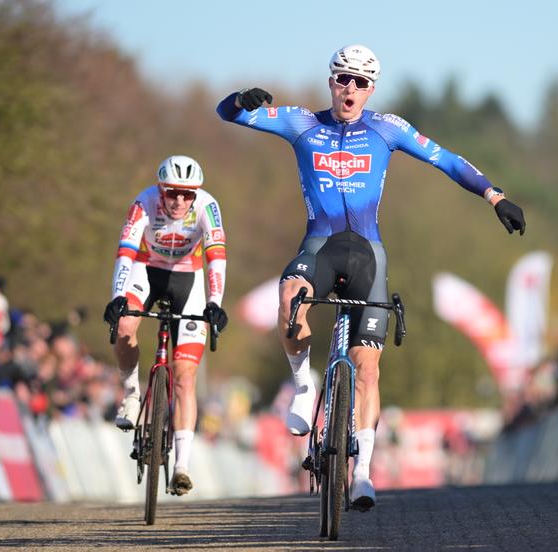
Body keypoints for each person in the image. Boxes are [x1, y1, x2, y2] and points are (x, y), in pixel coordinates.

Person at [216, 44, 525, 510]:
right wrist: (243, 98)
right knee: (289, 296)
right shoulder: (302, 123)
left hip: (367, 254)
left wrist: (494, 196)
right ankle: (304, 385)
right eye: (344, 79)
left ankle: (362, 473)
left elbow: (446, 159)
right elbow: (228, 115)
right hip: (319, 246)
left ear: (371, 89)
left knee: (367, 368)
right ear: (331, 81)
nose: (351, 89)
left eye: (361, 82)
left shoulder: (387, 128)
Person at [102, 155, 229, 496]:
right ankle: (130, 395)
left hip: (188, 279)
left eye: (187, 194)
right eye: (172, 192)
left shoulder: (208, 205)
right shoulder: (143, 203)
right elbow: (126, 252)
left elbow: (217, 255)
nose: (179, 201)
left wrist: (215, 304)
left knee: (185, 374)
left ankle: (182, 467)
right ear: (161, 189)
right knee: (126, 324)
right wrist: (117, 295)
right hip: (148, 271)